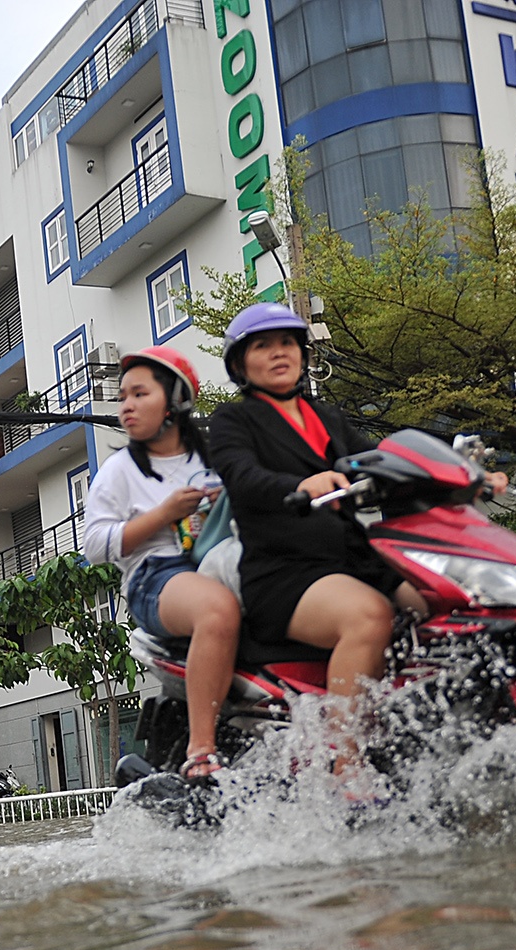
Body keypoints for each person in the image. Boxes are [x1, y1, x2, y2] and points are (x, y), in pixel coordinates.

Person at [206, 302, 425, 709]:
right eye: (263, 346)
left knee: (447, 598)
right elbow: (243, 476)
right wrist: (300, 485)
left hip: (359, 560)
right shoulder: (232, 421)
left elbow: (381, 462)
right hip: (285, 573)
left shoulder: (328, 418)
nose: (279, 352)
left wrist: (464, 476)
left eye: (288, 343)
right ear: (239, 364)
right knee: (369, 616)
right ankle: (344, 748)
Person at [83, 347, 241, 781]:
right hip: (156, 576)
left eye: (139, 394)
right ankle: (201, 750)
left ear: (176, 400)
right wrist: (163, 514)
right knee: (217, 610)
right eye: (122, 397)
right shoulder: (119, 470)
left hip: (220, 560)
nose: (126, 406)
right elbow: (94, 545)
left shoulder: (212, 459)